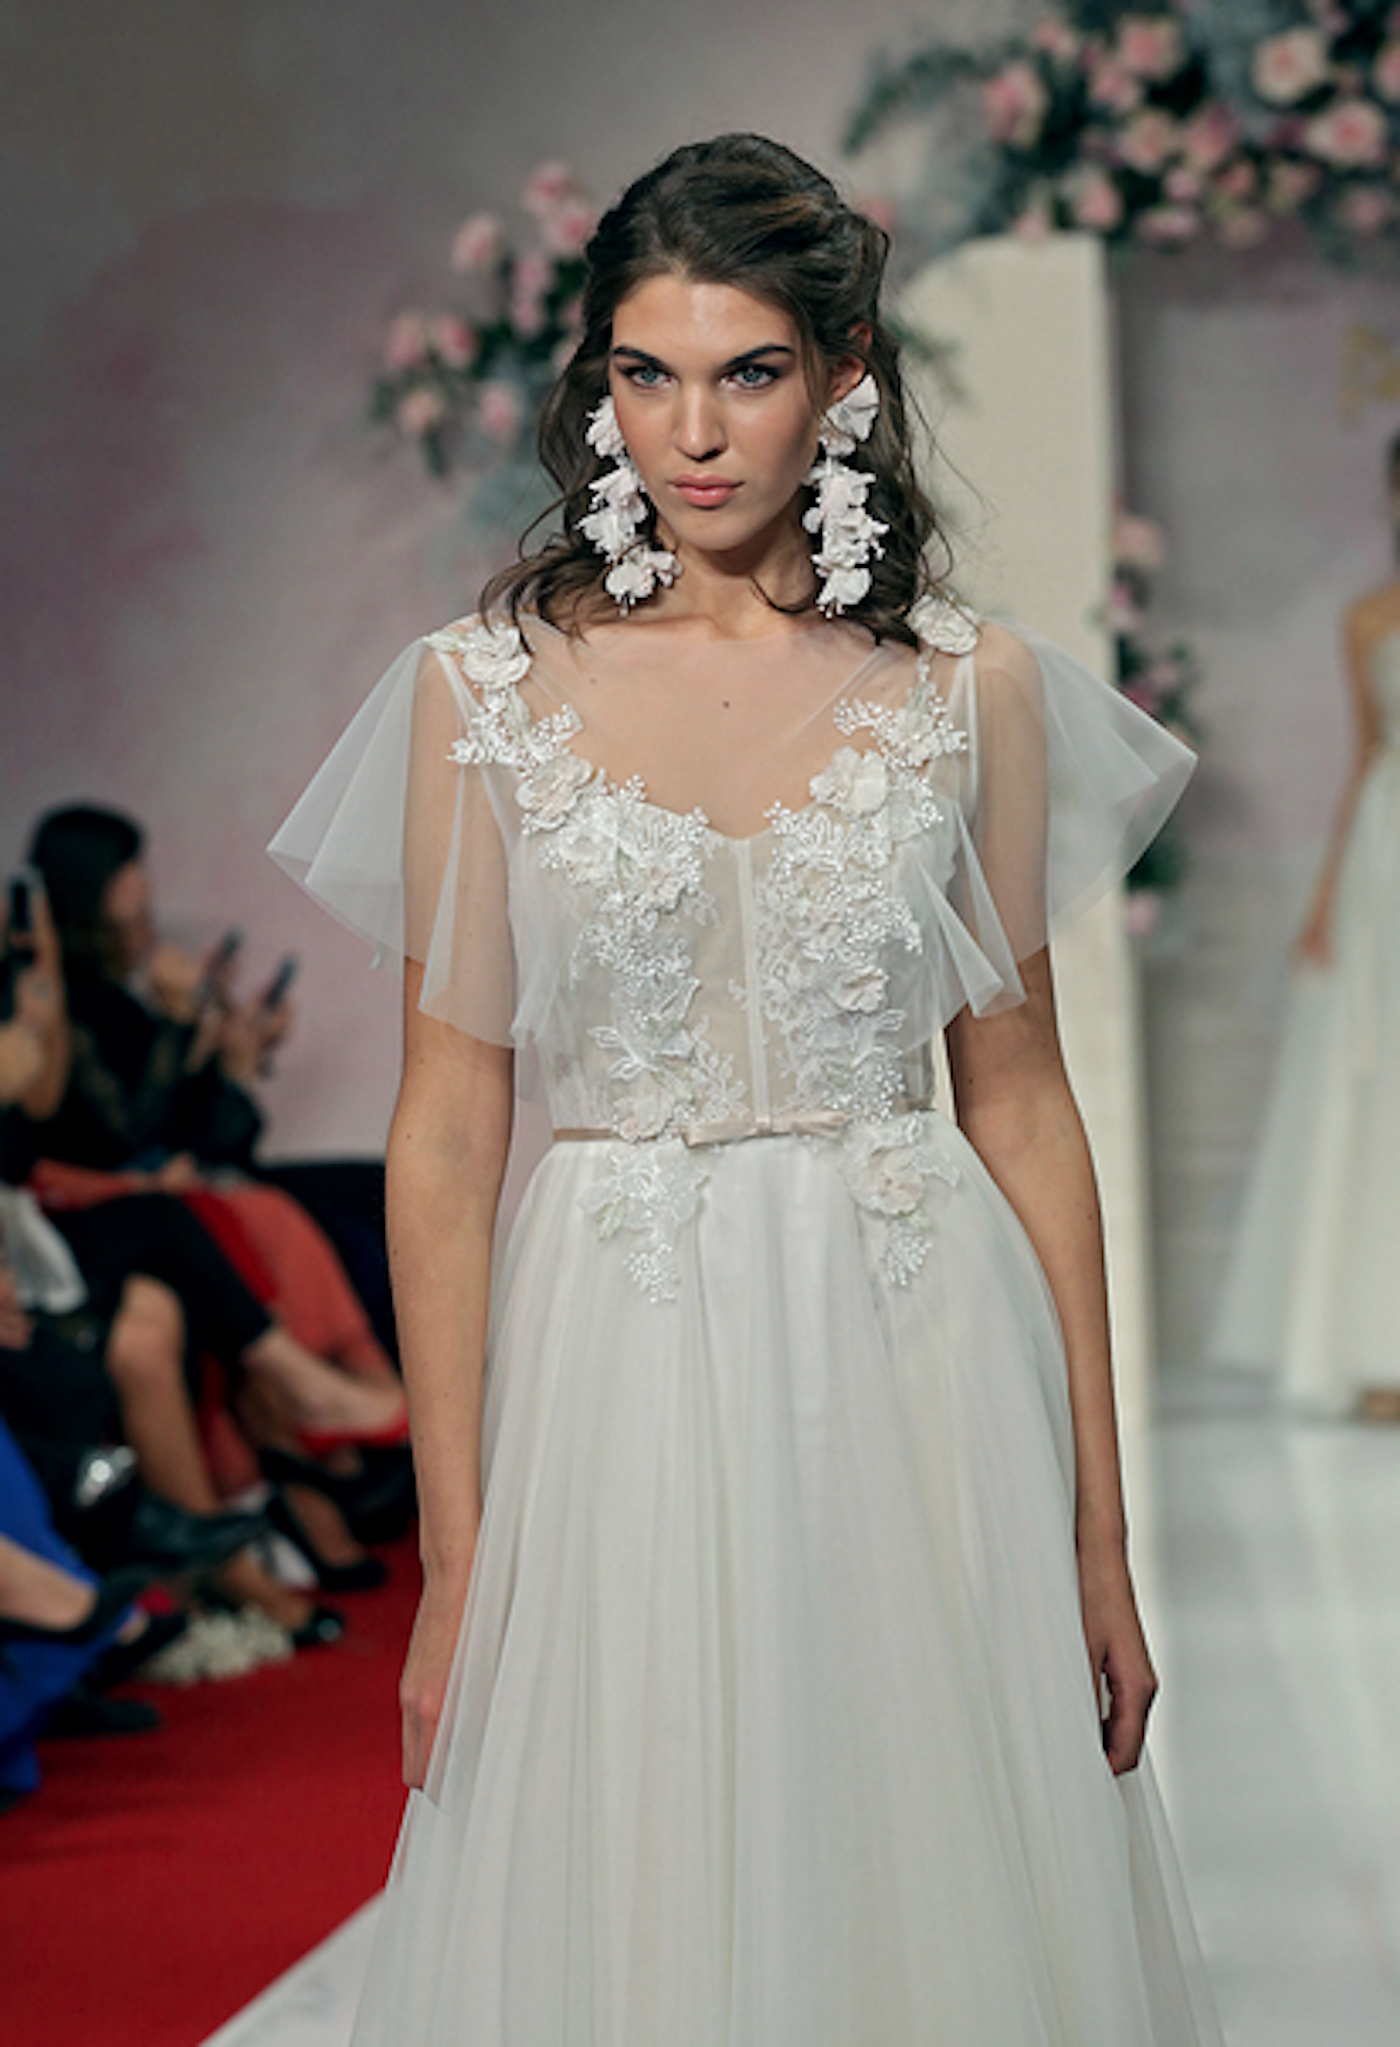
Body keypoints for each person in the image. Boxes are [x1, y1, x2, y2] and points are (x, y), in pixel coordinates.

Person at [273, 135, 1220, 2045]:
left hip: (917, 1349)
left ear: (844, 373)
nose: (692, 433)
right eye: (648, 373)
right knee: (638, 1882)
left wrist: (1099, 1535)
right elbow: (446, 1130)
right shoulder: (481, 694)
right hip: (617, 1364)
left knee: (927, 1879)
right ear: (599, 383)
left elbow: (1021, 1105)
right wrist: (454, 1557)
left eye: (748, 371)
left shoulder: (970, 689)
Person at [1210, 434, 1400, 1419]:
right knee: (1374, 1079)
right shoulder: (1366, 618)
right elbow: (1365, 756)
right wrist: (1324, 900)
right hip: (1385, 856)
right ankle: (1377, 1348)